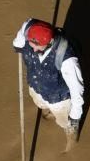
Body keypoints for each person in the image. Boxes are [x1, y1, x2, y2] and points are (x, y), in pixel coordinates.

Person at [11, 18, 84, 150]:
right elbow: (26, 25)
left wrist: (75, 117)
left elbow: (77, 89)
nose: (32, 50)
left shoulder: (67, 59)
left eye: (37, 47)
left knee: (65, 121)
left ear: (49, 43)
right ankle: (47, 107)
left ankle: (71, 136)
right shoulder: (29, 30)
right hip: (36, 86)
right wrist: (18, 42)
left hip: (58, 99)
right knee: (40, 102)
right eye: (30, 44)